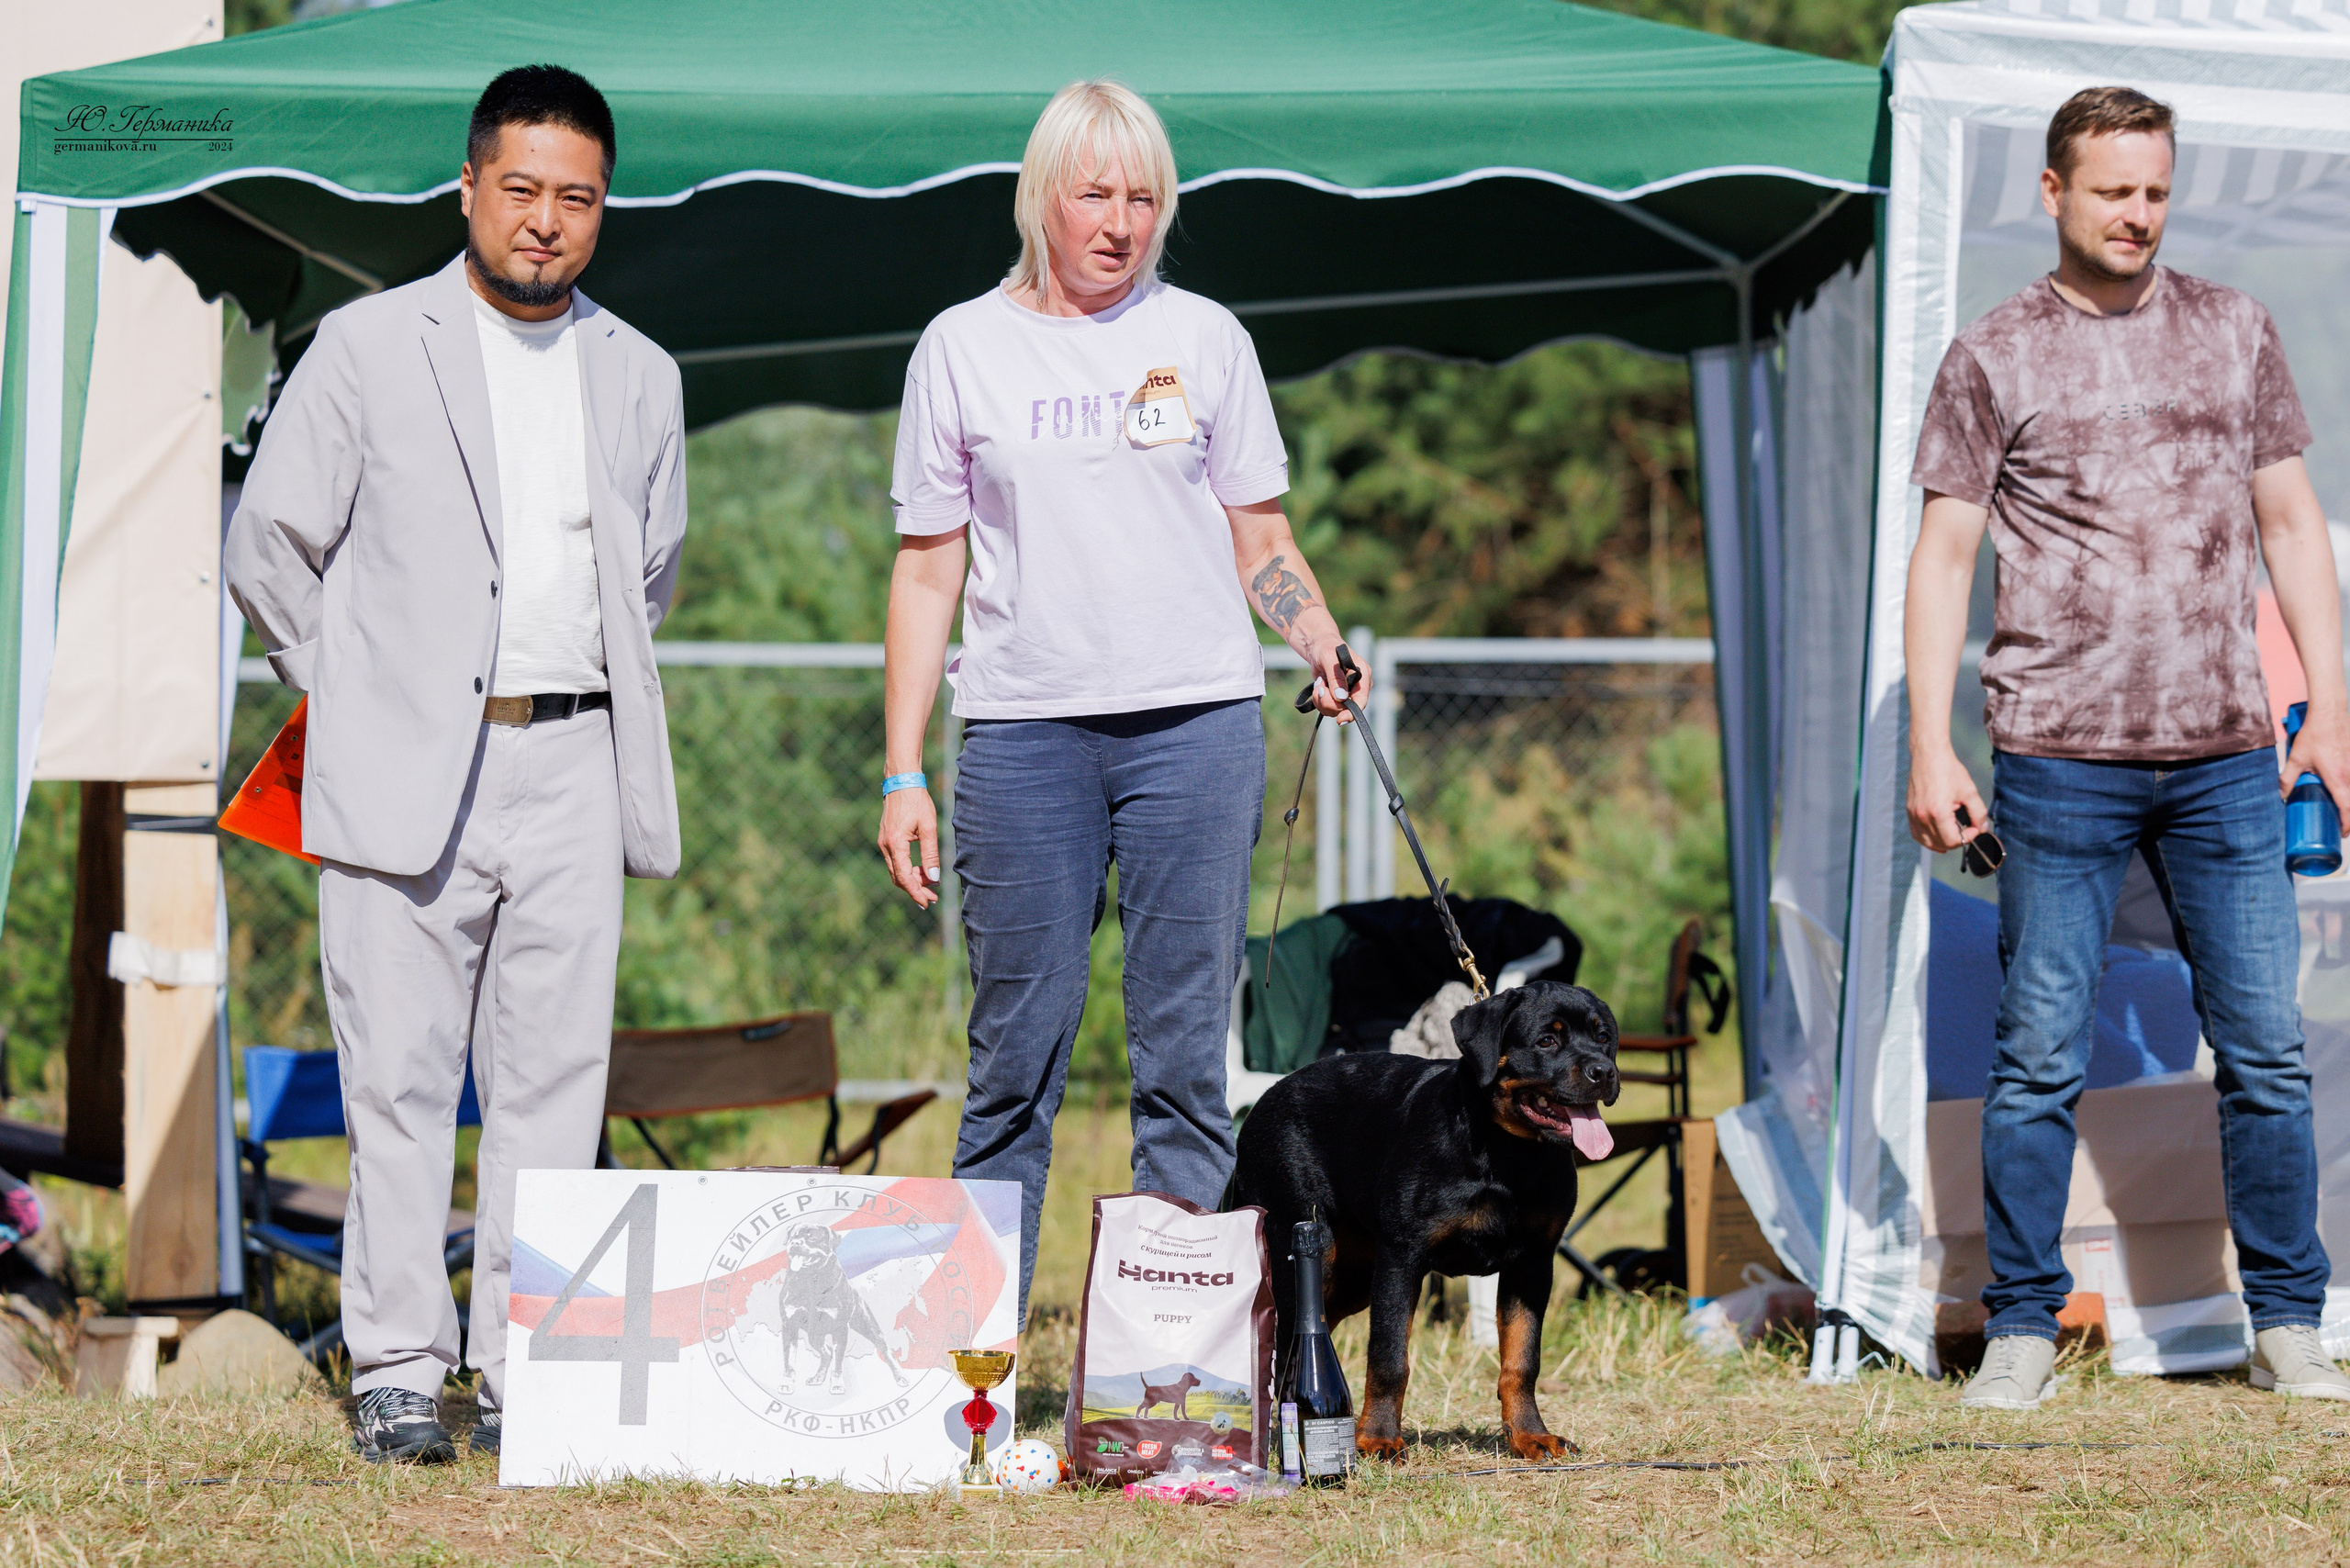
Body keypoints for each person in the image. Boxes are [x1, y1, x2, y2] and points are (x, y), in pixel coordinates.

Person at [227, 65, 687, 1462]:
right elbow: (268, 550)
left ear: (602, 209)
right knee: (402, 1081)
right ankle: (401, 1371)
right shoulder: (370, 346)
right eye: (525, 189)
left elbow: (649, 573)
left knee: (555, 1083)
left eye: (579, 198)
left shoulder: (643, 373)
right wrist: (357, 691)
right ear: (471, 185)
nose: (548, 220)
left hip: (576, 756)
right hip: (402, 769)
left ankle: (527, 1367)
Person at [876, 79, 1362, 1320]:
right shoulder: (960, 346)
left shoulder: (1206, 340)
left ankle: (1174, 1374)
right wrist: (901, 769)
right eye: (1096, 192)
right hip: (1022, 744)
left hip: (1194, 735)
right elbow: (927, 567)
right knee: (1012, 1070)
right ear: (1043, 196)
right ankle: (966, 1378)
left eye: (1145, 197)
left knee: (1187, 1068)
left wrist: (1316, 633)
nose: (1121, 219)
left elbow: (1264, 538)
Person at [1906, 85, 2350, 1409]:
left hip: (2225, 756)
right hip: (2056, 759)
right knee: (2039, 1054)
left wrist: (2329, 701)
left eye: (2155, 191)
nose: (2138, 215)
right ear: (2054, 193)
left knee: (2267, 1048)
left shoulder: (2234, 331)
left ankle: (2288, 1323)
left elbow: (2290, 525)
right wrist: (1933, 743)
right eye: (2112, 191)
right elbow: (1941, 560)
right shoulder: (1993, 353)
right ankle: (2027, 1328)